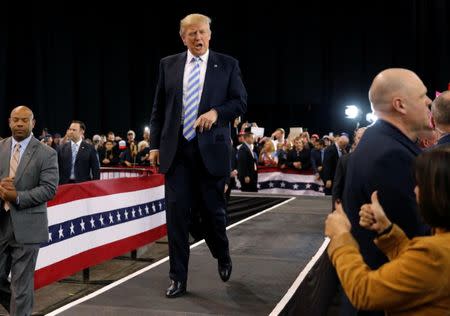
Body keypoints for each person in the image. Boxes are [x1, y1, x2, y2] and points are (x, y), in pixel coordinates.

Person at [149, 13, 247, 298]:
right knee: (177, 217)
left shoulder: (227, 65)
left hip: (212, 151)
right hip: (176, 152)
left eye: (202, 32)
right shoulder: (168, 65)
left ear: (210, 34)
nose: (198, 38)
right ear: (183, 37)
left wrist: (217, 113)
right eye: (192, 33)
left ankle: (222, 251)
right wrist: (155, 145)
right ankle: (178, 278)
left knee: (213, 215)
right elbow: (159, 110)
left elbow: (240, 101)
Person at [341, 68, 431, 315]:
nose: (429, 102)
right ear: (400, 105)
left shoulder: (379, 141)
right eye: (423, 95)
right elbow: (414, 243)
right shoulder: (391, 155)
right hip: (389, 301)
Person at [325, 146, 450, 314]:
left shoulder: (434, 254)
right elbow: (419, 271)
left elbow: (364, 292)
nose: (415, 190)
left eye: (420, 184)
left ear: (438, 194)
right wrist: (386, 230)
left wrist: (341, 237)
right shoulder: (439, 249)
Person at [0, 106, 59, 315]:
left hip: (28, 227)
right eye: (15, 120)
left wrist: (17, 197)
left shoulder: (47, 153)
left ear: (33, 123)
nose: (19, 124)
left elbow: (49, 189)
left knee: (21, 288)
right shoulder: (1, 147)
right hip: (2, 225)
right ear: (9, 122)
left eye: (24, 120)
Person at [57, 120, 100, 184]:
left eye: (74, 130)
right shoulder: (61, 148)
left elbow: (95, 170)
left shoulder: (90, 148)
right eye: (70, 129)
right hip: (64, 185)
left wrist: (94, 186)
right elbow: (56, 168)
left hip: (83, 185)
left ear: (82, 132)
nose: (71, 132)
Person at [237, 128, 258, 192]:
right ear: (246, 138)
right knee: (247, 192)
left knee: (253, 192)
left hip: (252, 174)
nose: (253, 139)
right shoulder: (243, 148)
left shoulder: (249, 147)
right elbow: (242, 163)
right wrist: (246, 175)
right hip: (247, 176)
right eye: (252, 138)